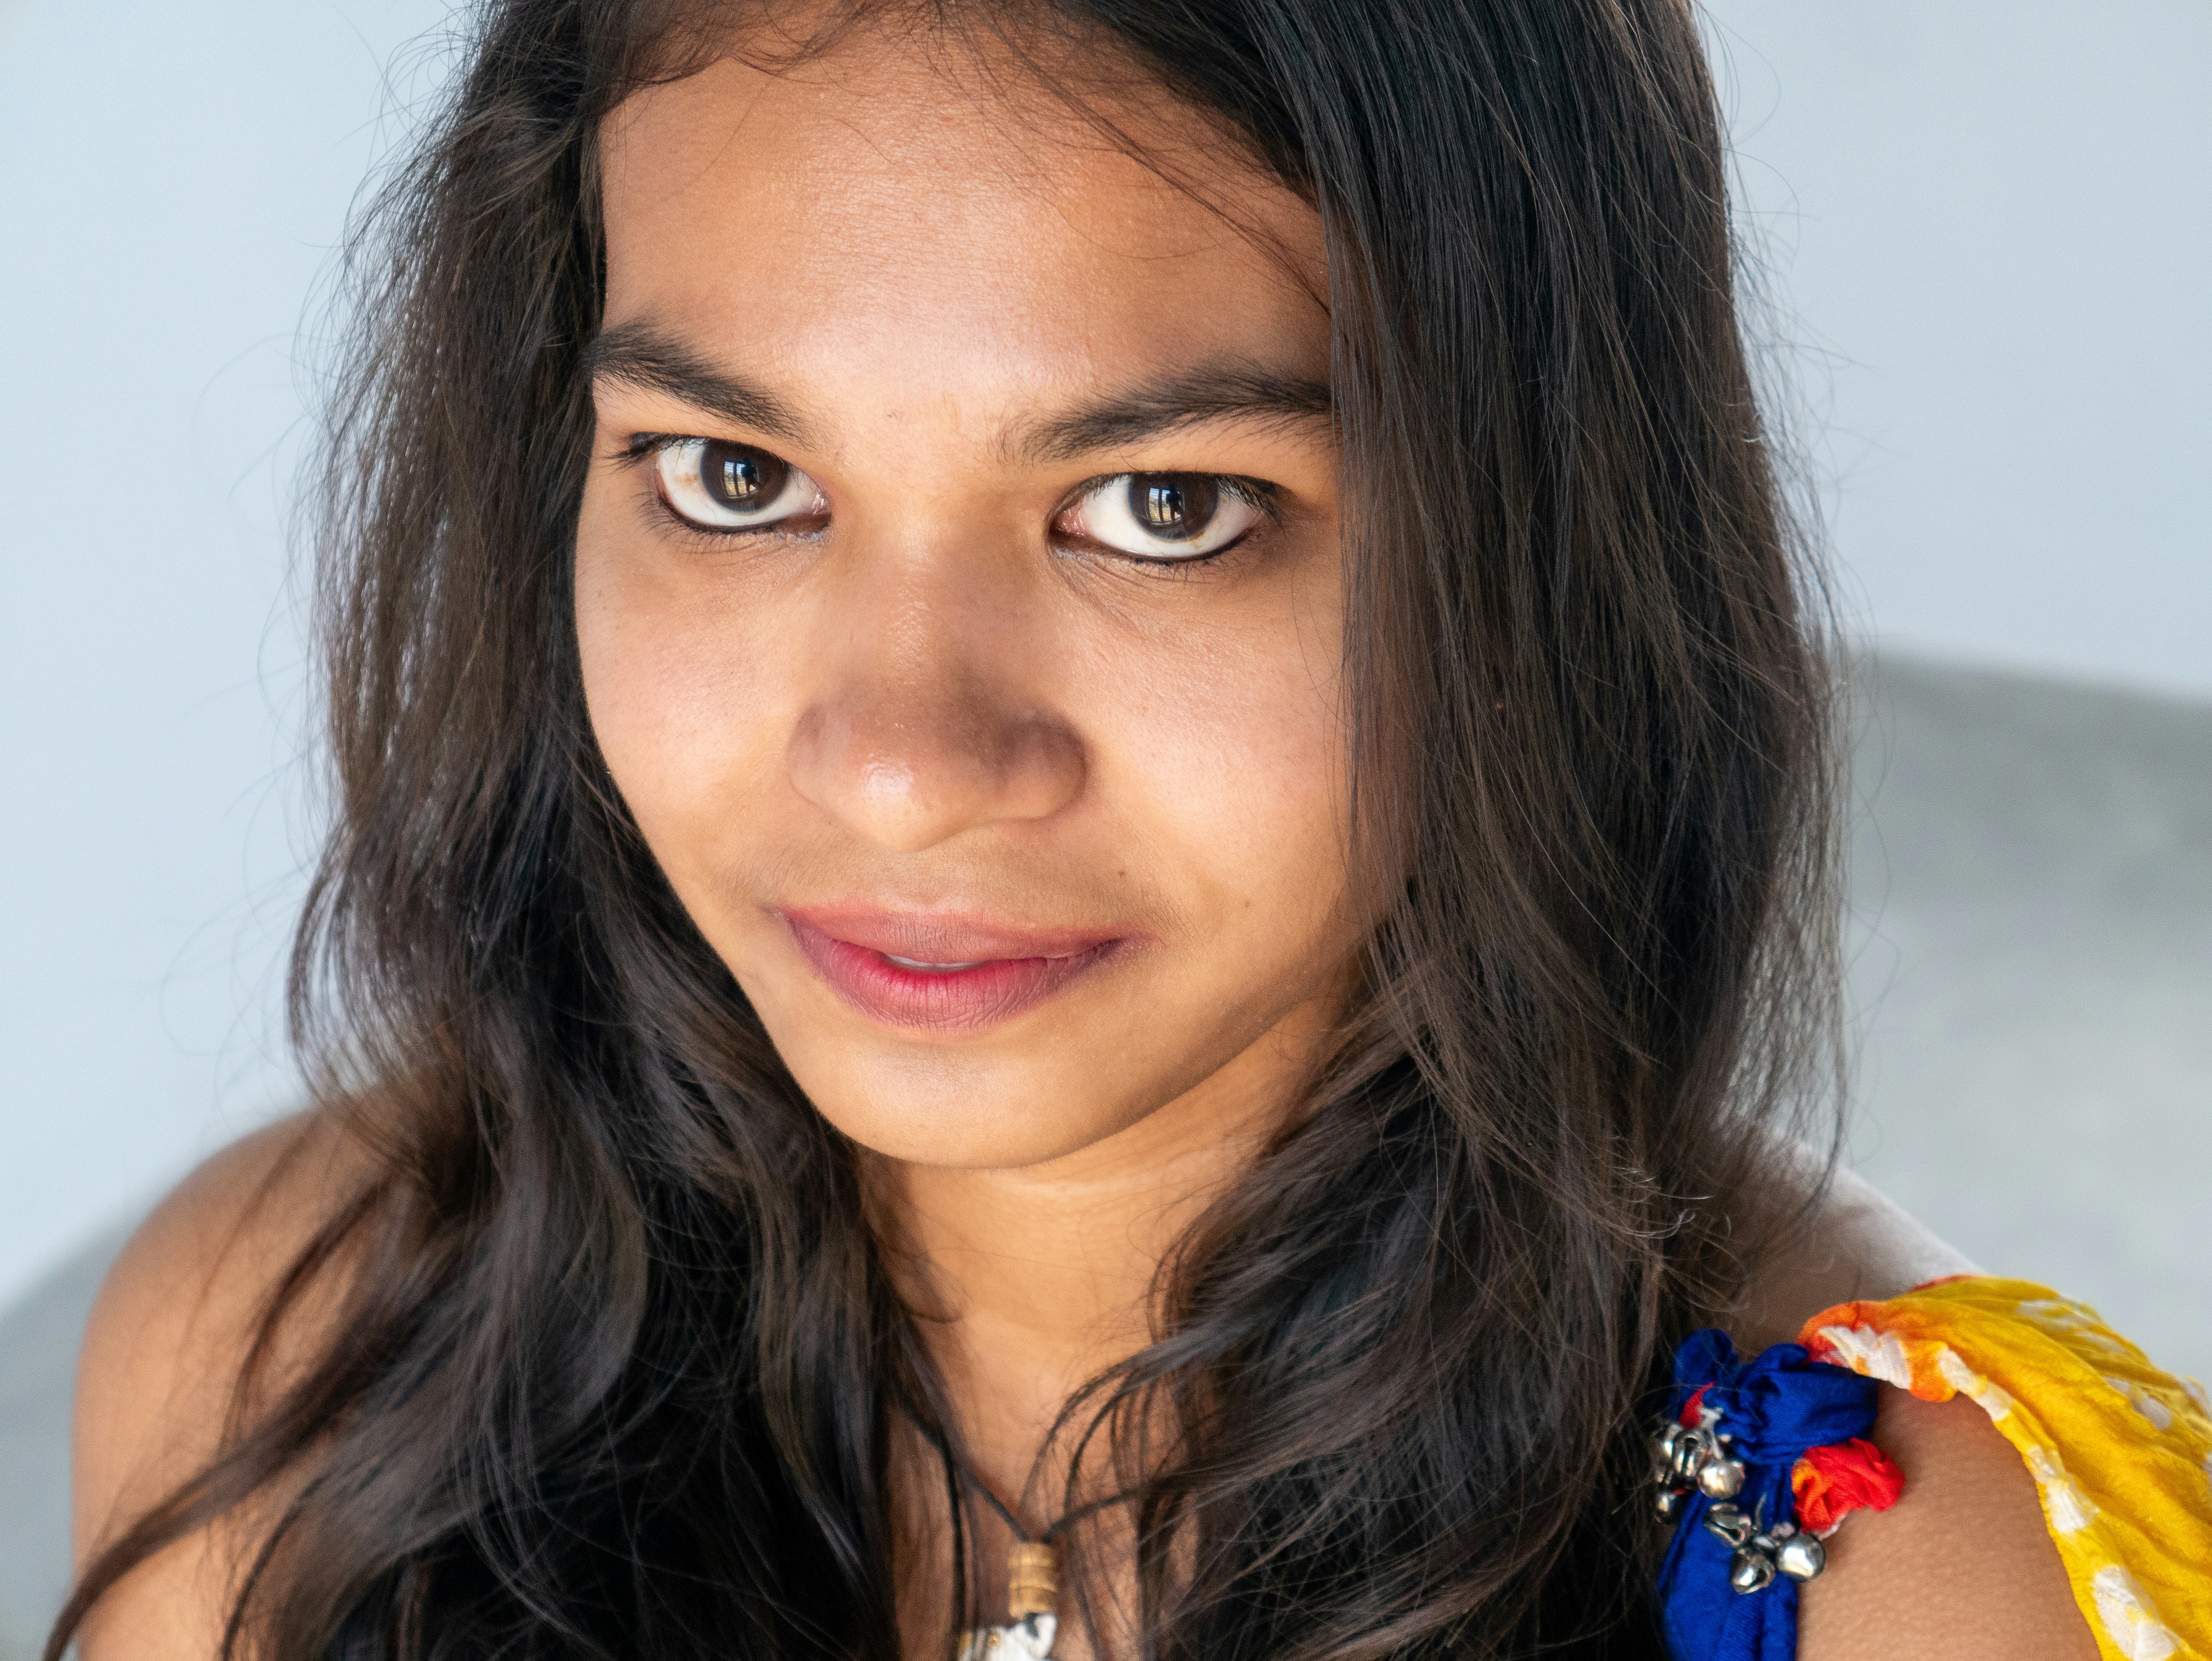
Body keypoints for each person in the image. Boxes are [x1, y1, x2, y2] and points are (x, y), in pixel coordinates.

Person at [53, 2, 2211, 1658]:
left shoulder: (1909, 1571)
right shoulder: (316, 1350)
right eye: (729, 476)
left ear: (1543, 548)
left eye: (1161, 513)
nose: (898, 759)